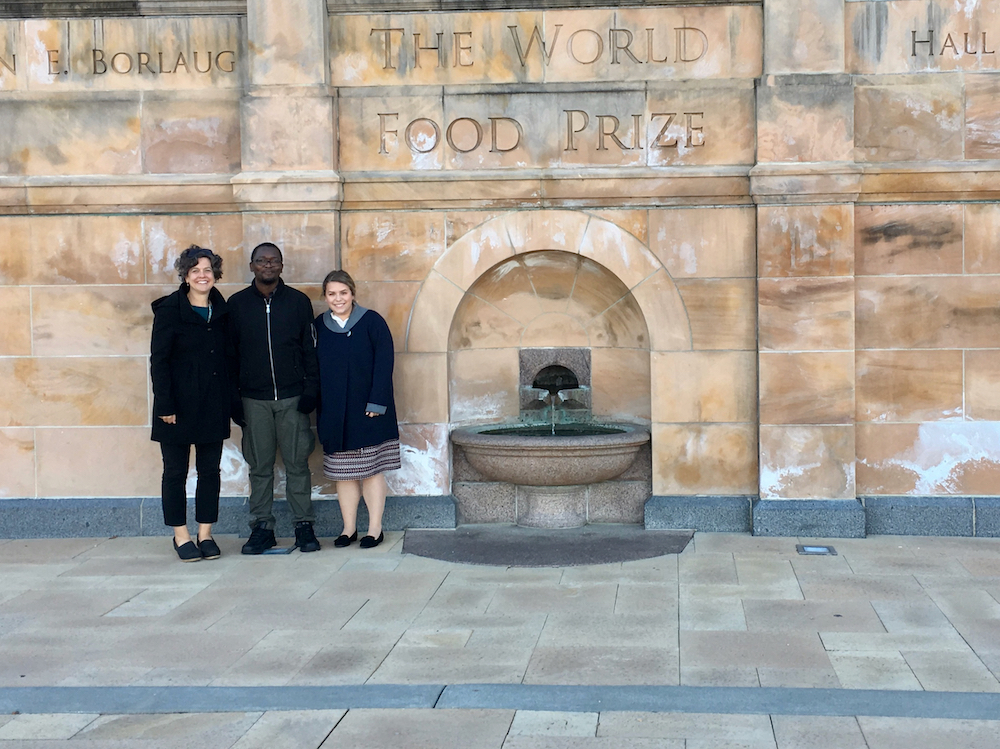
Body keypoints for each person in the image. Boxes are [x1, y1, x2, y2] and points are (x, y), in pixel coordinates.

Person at [228, 242, 321, 554]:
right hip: (253, 400)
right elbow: (230, 356)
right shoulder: (237, 304)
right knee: (260, 466)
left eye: (274, 261)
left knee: (297, 463)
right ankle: (262, 528)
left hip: (293, 398)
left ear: (282, 266)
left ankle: (303, 526)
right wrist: (233, 399)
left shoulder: (298, 302)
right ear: (252, 265)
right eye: (261, 260)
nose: (268, 265)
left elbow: (310, 349)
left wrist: (311, 391)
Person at [150, 245, 232, 562]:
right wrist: (165, 406)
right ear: (185, 276)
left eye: (208, 270)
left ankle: (205, 533)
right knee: (175, 473)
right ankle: (181, 536)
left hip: (213, 404)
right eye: (195, 270)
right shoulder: (170, 310)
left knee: (210, 471)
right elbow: (159, 361)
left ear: (215, 275)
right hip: (176, 409)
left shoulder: (221, 311)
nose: (202, 275)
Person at [314, 270, 401, 549]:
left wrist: (377, 401)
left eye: (343, 293)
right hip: (334, 411)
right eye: (332, 294)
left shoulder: (372, 322)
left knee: (372, 470)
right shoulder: (319, 326)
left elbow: (384, 363)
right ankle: (348, 528)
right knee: (343, 472)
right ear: (325, 296)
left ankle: (374, 529)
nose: (338, 299)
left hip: (369, 410)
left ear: (352, 293)